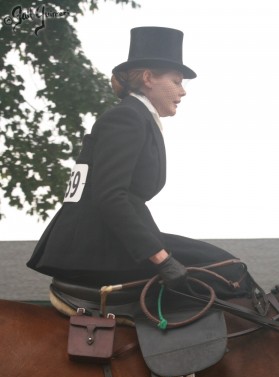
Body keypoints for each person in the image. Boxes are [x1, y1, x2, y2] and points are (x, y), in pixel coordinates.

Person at [27, 26, 256, 299]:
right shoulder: (127, 117)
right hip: (94, 246)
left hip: (108, 239)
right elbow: (110, 196)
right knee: (231, 272)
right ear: (148, 78)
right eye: (177, 81)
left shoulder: (138, 117)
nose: (183, 92)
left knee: (226, 266)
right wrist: (162, 259)